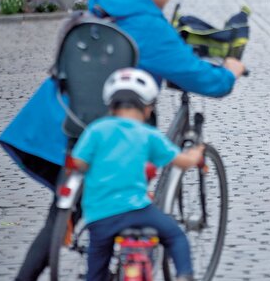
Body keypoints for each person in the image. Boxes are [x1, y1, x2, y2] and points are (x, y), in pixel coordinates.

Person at [11, 0, 246, 280]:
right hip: (123, 130)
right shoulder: (150, 25)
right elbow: (209, 81)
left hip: (72, 123)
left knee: (58, 218)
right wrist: (231, 69)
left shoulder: (102, 5)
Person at [71, 68, 202, 281]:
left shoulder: (96, 130)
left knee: (96, 266)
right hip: (137, 209)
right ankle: (184, 275)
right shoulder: (147, 134)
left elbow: (78, 163)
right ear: (147, 107)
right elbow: (183, 162)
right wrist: (195, 154)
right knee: (176, 236)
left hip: (99, 215)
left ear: (110, 105)